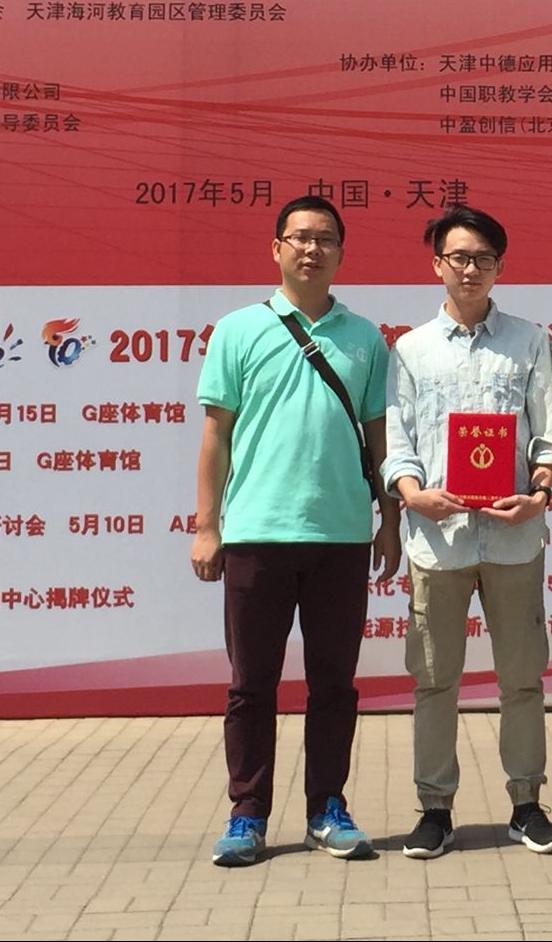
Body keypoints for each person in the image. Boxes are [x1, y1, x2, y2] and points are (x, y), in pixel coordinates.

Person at [192, 195, 402, 867]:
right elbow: (216, 436)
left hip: (341, 535)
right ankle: (247, 813)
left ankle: (327, 808)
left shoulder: (365, 337)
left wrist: (389, 520)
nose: (312, 249)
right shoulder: (237, 330)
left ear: (341, 252)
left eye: (326, 239)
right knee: (250, 684)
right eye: (300, 237)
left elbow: (379, 437)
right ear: (276, 247)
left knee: (334, 684)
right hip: (257, 531)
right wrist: (207, 526)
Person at [382, 205, 552, 859]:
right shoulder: (411, 349)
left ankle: (527, 803)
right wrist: (413, 493)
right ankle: (435, 808)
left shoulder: (530, 341)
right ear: (437, 263)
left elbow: (547, 435)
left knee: (522, 678)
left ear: (500, 266)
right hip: (437, 541)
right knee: (434, 679)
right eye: (459, 257)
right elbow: (399, 442)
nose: (470, 269)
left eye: (483, 259)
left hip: (513, 538)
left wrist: (539, 493)